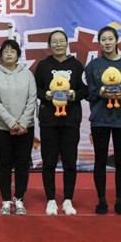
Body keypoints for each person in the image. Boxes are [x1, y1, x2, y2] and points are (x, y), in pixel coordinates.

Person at [85, 26, 121, 215]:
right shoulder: (93, 66)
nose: (107, 43)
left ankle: (119, 201)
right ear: (99, 43)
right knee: (100, 161)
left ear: (116, 41)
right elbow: (87, 92)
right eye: (103, 39)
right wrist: (99, 92)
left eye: (110, 39)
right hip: (99, 120)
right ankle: (101, 201)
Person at [34, 30, 88, 216]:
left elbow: (85, 90)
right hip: (49, 120)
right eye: (54, 42)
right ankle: (50, 199)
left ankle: (67, 200)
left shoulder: (76, 65)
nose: (58, 44)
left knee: (69, 161)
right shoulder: (43, 65)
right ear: (49, 45)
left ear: (67, 43)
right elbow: (36, 89)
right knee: (48, 162)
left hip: (70, 120)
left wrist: (73, 95)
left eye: (61, 41)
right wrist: (46, 95)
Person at [0, 39, 37, 215]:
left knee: (22, 165)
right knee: (4, 165)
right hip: (2, 128)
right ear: (0, 56)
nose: (9, 54)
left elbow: (32, 99)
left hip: (25, 128)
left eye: (12, 51)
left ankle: (20, 199)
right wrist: (10, 122)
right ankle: (6, 200)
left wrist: (22, 122)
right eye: (5, 51)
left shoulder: (28, 74)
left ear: (18, 55)